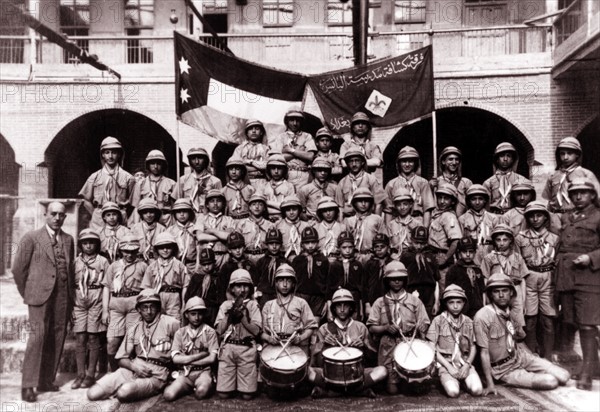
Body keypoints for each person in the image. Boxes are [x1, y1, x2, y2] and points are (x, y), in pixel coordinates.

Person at [12, 201, 75, 402]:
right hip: (38, 296)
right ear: (45, 214)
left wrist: (71, 299)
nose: (57, 218)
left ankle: (46, 380)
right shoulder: (31, 237)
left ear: (65, 217)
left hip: (62, 296)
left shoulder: (68, 239)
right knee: (37, 338)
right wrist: (28, 293)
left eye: (61, 215)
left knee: (57, 336)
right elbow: (18, 270)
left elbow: (70, 271)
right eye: (53, 214)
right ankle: (28, 385)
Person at [474, 273, 569, 394]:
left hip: (519, 357)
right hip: (503, 369)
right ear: (490, 294)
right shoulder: (482, 317)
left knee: (564, 375)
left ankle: (532, 371)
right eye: (496, 291)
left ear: (511, 292)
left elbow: (518, 340)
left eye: (505, 290)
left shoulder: (510, 311)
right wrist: (490, 384)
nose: (501, 295)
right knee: (550, 381)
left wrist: (533, 359)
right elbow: (484, 353)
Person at [87, 289, 180, 402]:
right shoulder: (134, 328)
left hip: (157, 373)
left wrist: (175, 375)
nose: (149, 311)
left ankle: (137, 388)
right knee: (92, 393)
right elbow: (121, 359)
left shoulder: (171, 323)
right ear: (138, 310)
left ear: (158, 307)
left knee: (123, 393)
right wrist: (134, 367)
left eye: (152, 306)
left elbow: (184, 349)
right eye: (144, 307)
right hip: (134, 368)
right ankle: (129, 386)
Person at [555, 178, 600, 390]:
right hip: (566, 276)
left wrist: (590, 258)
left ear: (593, 195)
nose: (578, 196)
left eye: (583, 192)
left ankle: (587, 374)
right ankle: (595, 367)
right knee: (571, 321)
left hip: (589, 277)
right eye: (574, 193)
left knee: (587, 324)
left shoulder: (598, 216)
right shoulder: (567, 217)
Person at [308, 288, 388, 399]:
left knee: (382, 371)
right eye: (338, 306)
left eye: (345, 305)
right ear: (334, 308)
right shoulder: (325, 328)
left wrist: (363, 346)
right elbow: (317, 362)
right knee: (306, 371)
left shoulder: (361, 327)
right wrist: (325, 346)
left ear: (351, 307)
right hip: (331, 375)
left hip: (356, 374)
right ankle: (359, 391)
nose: (342, 309)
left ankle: (332, 393)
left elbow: (372, 360)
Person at [366, 261, 430, 395]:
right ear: (387, 281)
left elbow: (425, 322)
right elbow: (372, 327)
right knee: (392, 390)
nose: (396, 282)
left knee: (411, 388)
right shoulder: (379, 302)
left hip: (409, 343)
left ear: (405, 280)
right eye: (392, 279)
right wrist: (385, 328)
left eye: (400, 279)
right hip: (388, 346)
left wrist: (421, 327)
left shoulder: (414, 301)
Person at [514, 201, 559, 358]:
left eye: (539, 215)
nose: (535, 219)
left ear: (546, 218)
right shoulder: (520, 238)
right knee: (530, 319)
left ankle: (547, 357)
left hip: (548, 278)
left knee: (548, 319)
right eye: (531, 216)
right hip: (529, 277)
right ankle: (532, 355)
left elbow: (557, 261)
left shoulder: (554, 238)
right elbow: (517, 261)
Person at [426, 284, 483, 398]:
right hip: (446, 364)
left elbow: (473, 347)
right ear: (445, 304)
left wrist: (467, 365)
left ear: (464, 303)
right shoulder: (438, 321)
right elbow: (431, 347)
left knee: (477, 390)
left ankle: (464, 382)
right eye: (451, 302)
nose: (455, 306)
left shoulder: (468, 321)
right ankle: (450, 381)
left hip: (464, 362)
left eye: (459, 302)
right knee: (453, 392)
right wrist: (449, 367)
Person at [214, 269, 262, 400]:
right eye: (238, 285)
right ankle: (230, 384)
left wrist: (243, 319)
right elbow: (219, 330)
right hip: (228, 348)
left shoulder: (253, 305)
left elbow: (256, 331)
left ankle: (243, 386)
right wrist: (229, 315)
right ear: (232, 288)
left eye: (246, 285)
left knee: (247, 396)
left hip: (246, 349)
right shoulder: (225, 305)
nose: (242, 289)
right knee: (223, 394)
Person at [102, 234, 147, 371]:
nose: (129, 254)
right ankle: (115, 371)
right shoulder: (114, 266)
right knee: (112, 341)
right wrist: (105, 310)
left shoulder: (142, 266)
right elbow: (106, 287)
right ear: (121, 251)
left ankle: (129, 371)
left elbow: (146, 288)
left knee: (132, 339)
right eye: (126, 251)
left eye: (133, 251)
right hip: (116, 303)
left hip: (134, 303)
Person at [71, 229, 110, 390]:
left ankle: (90, 374)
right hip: (79, 300)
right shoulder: (75, 262)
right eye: (85, 243)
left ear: (97, 245)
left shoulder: (102, 261)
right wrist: (71, 306)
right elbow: (70, 284)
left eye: (92, 243)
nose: (88, 246)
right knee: (80, 338)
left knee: (93, 338)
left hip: (96, 299)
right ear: (81, 245)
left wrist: (105, 308)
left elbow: (107, 285)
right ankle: (80, 374)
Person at [163, 297, 219, 401]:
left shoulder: (210, 332)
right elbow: (175, 359)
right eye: (193, 314)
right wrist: (201, 355)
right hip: (184, 373)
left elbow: (212, 359)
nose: (197, 318)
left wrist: (186, 360)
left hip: (203, 372)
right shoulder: (180, 332)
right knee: (168, 395)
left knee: (201, 392)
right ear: (186, 315)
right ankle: (187, 387)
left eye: (200, 314)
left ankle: (200, 385)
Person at [261, 264, 318, 356]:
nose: (284, 284)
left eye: (288, 281)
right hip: (273, 348)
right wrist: (268, 338)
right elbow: (261, 331)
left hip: (294, 348)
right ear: (276, 283)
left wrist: (300, 338)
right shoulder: (268, 305)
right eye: (281, 280)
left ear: (294, 283)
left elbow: (311, 327)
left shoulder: (301, 303)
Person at [79, 136, 135, 230]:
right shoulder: (95, 177)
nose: (110, 156)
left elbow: (134, 202)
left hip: (119, 217)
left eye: (114, 152)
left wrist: (124, 214)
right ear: (103, 155)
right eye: (107, 152)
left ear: (119, 154)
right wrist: (96, 214)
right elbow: (86, 200)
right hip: (99, 218)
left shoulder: (128, 178)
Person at [481, 223, 528, 332]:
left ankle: (516, 346)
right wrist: (487, 298)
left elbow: (523, 280)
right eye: (498, 240)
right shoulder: (489, 258)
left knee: (517, 324)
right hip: (497, 291)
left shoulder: (517, 257)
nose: (501, 243)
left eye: (505, 240)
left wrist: (524, 301)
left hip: (515, 291)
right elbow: (485, 279)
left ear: (511, 240)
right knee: (497, 322)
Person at [543, 136, 600, 215]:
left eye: (569, 153)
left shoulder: (586, 174)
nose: (565, 157)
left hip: (577, 216)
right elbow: (547, 200)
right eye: (562, 154)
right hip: (556, 216)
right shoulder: (553, 176)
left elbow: (598, 198)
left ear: (577, 154)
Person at [141, 232, 189, 320]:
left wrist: (184, 304)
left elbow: (185, 285)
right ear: (156, 250)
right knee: (157, 320)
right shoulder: (152, 266)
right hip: (157, 296)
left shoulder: (179, 265)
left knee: (175, 321)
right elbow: (146, 287)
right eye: (161, 248)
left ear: (173, 248)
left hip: (174, 296)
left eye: (168, 247)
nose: (165, 250)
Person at [428, 183, 463, 290]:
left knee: (445, 289)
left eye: (446, 198)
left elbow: (456, 241)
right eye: (440, 198)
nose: (442, 201)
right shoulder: (437, 214)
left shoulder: (449, 217)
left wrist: (446, 258)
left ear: (452, 201)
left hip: (442, 258)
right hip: (432, 256)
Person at [130, 149, 177, 227]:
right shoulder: (141, 184)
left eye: (158, 163)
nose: (155, 166)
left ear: (163, 165)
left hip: (166, 220)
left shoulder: (171, 184)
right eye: (152, 163)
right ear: (148, 165)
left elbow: (175, 207)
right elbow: (136, 208)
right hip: (146, 220)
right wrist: (137, 225)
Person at [269, 109, 316, 188]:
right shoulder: (281, 137)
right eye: (292, 120)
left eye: (298, 120)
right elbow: (277, 158)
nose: (295, 123)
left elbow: (310, 156)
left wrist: (290, 150)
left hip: (303, 175)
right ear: (287, 121)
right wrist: (300, 152)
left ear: (301, 122)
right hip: (286, 174)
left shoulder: (307, 136)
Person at [401, 226, 440, 319]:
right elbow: (401, 280)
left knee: (428, 323)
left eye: (422, 243)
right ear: (411, 240)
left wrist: (437, 302)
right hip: (410, 293)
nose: (419, 246)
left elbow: (436, 281)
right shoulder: (406, 257)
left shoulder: (431, 256)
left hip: (429, 295)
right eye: (416, 242)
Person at [292, 226, 329, 323]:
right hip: (301, 295)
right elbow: (293, 281)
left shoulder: (323, 260)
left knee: (315, 325)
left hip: (318, 297)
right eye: (307, 243)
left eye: (313, 242)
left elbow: (327, 281)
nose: (310, 245)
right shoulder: (297, 260)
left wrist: (326, 301)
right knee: (300, 324)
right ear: (302, 244)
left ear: (317, 243)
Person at [193, 189, 236, 270]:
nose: (215, 204)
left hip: (224, 257)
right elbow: (200, 237)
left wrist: (211, 231)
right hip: (205, 259)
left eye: (218, 201)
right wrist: (221, 234)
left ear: (223, 204)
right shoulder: (201, 219)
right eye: (212, 201)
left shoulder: (228, 219)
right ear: (207, 205)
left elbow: (229, 237)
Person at [482, 142, 529, 214]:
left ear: (513, 159)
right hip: (495, 216)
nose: (505, 159)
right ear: (497, 159)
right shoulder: (488, 182)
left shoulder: (521, 180)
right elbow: (484, 206)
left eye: (509, 156)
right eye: (502, 156)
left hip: (514, 216)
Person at [335, 150, 385, 216]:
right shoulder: (342, 182)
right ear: (347, 164)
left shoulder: (371, 179)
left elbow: (378, 204)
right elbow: (340, 208)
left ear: (362, 162)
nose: (354, 164)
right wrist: (342, 225)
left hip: (367, 218)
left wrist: (376, 221)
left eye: (357, 161)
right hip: (349, 219)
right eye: (351, 161)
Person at [327, 231, 364, 320]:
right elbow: (329, 288)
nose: (347, 250)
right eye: (344, 247)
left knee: (354, 324)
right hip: (338, 298)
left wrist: (361, 308)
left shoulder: (358, 265)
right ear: (339, 248)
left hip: (354, 298)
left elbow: (362, 288)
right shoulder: (334, 265)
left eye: (350, 247)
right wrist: (329, 309)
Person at [446, 237, 485, 318]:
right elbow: (448, 291)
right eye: (464, 252)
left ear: (475, 252)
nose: (468, 254)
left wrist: (483, 306)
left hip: (477, 307)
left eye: (471, 252)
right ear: (459, 253)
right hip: (460, 308)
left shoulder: (477, 269)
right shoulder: (453, 270)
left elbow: (482, 290)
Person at [344, 187, 385, 265]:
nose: (363, 204)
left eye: (366, 201)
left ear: (371, 203)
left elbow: (383, 240)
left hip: (372, 256)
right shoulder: (349, 221)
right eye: (360, 201)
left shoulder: (377, 219)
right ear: (354, 203)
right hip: (353, 256)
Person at [177, 147, 222, 217]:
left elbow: (221, 203)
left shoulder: (215, 181)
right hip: (188, 218)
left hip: (208, 218)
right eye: (193, 159)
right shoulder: (183, 180)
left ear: (206, 160)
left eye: (200, 158)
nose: (197, 162)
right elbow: (177, 202)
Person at [458, 184, 498, 265]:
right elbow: (460, 241)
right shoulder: (463, 218)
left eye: (480, 199)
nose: (477, 202)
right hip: (471, 254)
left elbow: (498, 239)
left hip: (489, 252)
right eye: (473, 199)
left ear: (485, 200)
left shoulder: (493, 218)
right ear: (469, 201)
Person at [430, 146, 472, 217]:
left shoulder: (466, 182)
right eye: (450, 159)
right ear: (443, 161)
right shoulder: (436, 182)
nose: (454, 162)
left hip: (462, 221)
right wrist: (430, 188)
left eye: (457, 159)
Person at [184, 248, 220, 326]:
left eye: (209, 264)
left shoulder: (217, 277)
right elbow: (188, 295)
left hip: (213, 310)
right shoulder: (196, 277)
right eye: (204, 264)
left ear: (214, 263)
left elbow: (220, 295)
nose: (207, 267)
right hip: (199, 309)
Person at [218, 231, 257, 302]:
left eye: (240, 247)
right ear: (229, 250)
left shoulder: (250, 265)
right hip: (231, 301)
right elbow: (222, 289)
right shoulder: (226, 268)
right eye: (234, 248)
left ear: (244, 247)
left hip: (248, 300)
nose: (238, 251)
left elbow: (254, 285)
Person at [235, 193, 273, 265]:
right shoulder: (242, 224)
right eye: (254, 204)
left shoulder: (270, 225)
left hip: (264, 256)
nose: (257, 207)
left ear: (264, 208)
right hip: (247, 257)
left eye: (260, 205)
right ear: (249, 207)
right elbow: (238, 244)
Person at [253, 228, 287, 308]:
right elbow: (256, 280)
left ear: (281, 244)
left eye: (277, 243)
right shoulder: (261, 261)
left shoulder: (285, 262)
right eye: (271, 244)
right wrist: (256, 292)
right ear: (267, 245)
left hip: (280, 294)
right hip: (264, 295)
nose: (274, 246)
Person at [363, 233, 394, 317]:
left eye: (382, 246)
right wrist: (367, 304)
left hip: (389, 301)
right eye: (376, 247)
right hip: (372, 301)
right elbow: (364, 286)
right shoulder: (369, 264)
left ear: (388, 247)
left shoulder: (392, 263)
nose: (379, 250)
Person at [233, 119, 270, 186]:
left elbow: (268, 166)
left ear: (261, 132)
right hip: (243, 182)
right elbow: (236, 166)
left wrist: (250, 162)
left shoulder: (266, 149)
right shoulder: (240, 149)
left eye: (257, 129)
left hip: (262, 182)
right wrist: (259, 167)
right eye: (250, 129)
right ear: (247, 133)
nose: (253, 131)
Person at [387, 187, 423, 255]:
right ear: (395, 206)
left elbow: (421, 244)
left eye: (405, 204)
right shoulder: (391, 224)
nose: (402, 207)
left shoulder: (417, 223)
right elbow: (389, 244)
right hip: (396, 256)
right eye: (399, 205)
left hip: (413, 256)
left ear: (410, 205)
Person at [166, 198, 197, 275]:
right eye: (178, 212)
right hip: (175, 266)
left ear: (190, 213)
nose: (182, 214)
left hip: (193, 266)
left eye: (185, 211)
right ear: (174, 214)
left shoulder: (195, 229)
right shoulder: (170, 231)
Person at [261, 153, 296, 220]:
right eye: (273, 168)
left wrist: (267, 202)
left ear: (284, 170)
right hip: (266, 219)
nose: (276, 171)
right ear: (268, 170)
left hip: (283, 219)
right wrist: (279, 207)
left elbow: (289, 207)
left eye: (279, 168)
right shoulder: (263, 185)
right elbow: (260, 208)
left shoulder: (289, 186)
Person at [129, 198, 166, 263]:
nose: (148, 215)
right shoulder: (135, 228)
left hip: (156, 261)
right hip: (138, 261)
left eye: (151, 212)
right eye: (145, 212)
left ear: (156, 213)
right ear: (141, 214)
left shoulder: (162, 229)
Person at [276, 195, 310, 262]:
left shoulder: (306, 226)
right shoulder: (278, 225)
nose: (291, 212)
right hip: (283, 257)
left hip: (302, 257)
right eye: (288, 210)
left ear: (299, 210)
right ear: (284, 211)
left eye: (294, 209)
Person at [313, 196, 346, 262]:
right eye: (324, 211)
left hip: (338, 259)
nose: (328, 213)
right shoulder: (316, 228)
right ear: (320, 213)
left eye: (331, 210)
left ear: (336, 211)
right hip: (320, 259)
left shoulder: (342, 227)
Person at [222, 156, 255, 220]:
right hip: (230, 221)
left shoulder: (250, 189)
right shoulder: (223, 191)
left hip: (247, 221)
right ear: (227, 172)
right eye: (231, 169)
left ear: (242, 171)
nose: (234, 172)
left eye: (237, 169)